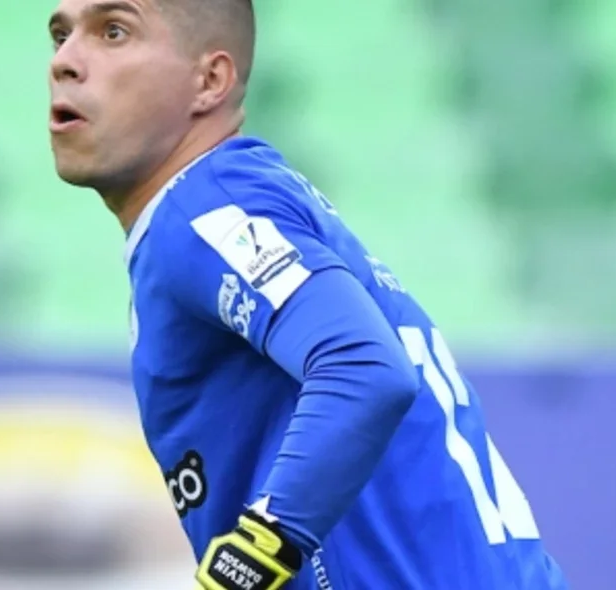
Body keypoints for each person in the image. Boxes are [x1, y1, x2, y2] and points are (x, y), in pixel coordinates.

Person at [46, 0, 569, 587]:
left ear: (210, 81)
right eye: (60, 35)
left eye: (113, 31)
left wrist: (257, 552)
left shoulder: (206, 209)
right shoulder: (231, 206)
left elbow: (363, 367)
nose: (65, 61)